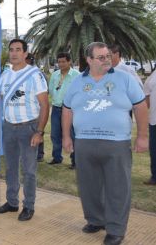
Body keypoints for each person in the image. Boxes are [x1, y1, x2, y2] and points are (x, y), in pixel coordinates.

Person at [62, 42, 148, 245]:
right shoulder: (76, 82)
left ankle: (116, 229)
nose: (107, 59)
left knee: (117, 188)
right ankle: (95, 220)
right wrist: (66, 136)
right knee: (88, 185)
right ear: (89, 60)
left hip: (116, 143)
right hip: (84, 142)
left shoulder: (125, 79)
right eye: (101, 57)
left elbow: (140, 106)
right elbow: (67, 110)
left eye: (108, 56)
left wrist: (143, 136)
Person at [0, 39, 49, 222]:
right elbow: (0, 102)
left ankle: (28, 206)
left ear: (25, 53)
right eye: (11, 50)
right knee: (10, 168)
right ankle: (12, 202)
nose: (14, 53)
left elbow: (44, 105)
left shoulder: (35, 75)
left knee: (29, 170)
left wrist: (39, 132)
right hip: (9, 127)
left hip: (28, 128)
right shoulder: (5, 75)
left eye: (18, 50)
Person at [48, 52, 79, 168]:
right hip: (56, 108)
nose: (61, 64)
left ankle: (75, 161)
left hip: (71, 110)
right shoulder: (55, 75)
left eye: (63, 62)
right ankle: (56, 157)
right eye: (59, 62)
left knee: (72, 135)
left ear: (69, 61)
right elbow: (51, 90)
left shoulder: (77, 75)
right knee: (55, 134)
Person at [25, 53, 46, 163]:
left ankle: (39, 154)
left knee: (38, 130)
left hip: (37, 107)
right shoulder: (23, 72)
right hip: (27, 108)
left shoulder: (38, 73)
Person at [143, 69, 156, 185]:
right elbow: (146, 94)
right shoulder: (153, 75)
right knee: (154, 150)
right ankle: (155, 176)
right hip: (154, 120)